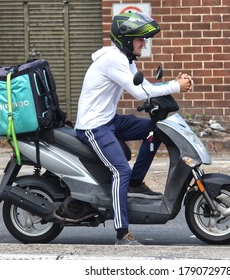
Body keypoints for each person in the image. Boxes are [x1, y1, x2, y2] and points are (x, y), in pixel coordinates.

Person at [75, 11, 192, 245]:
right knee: (121, 171)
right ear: (127, 39)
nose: (144, 42)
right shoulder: (113, 60)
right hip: (94, 127)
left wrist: (171, 86)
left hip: (109, 120)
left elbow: (145, 85)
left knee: (157, 128)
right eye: (140, 38)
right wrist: (175, 86)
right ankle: (122, 233)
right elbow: (139, 92)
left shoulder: (124, 59)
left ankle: (137, 183)